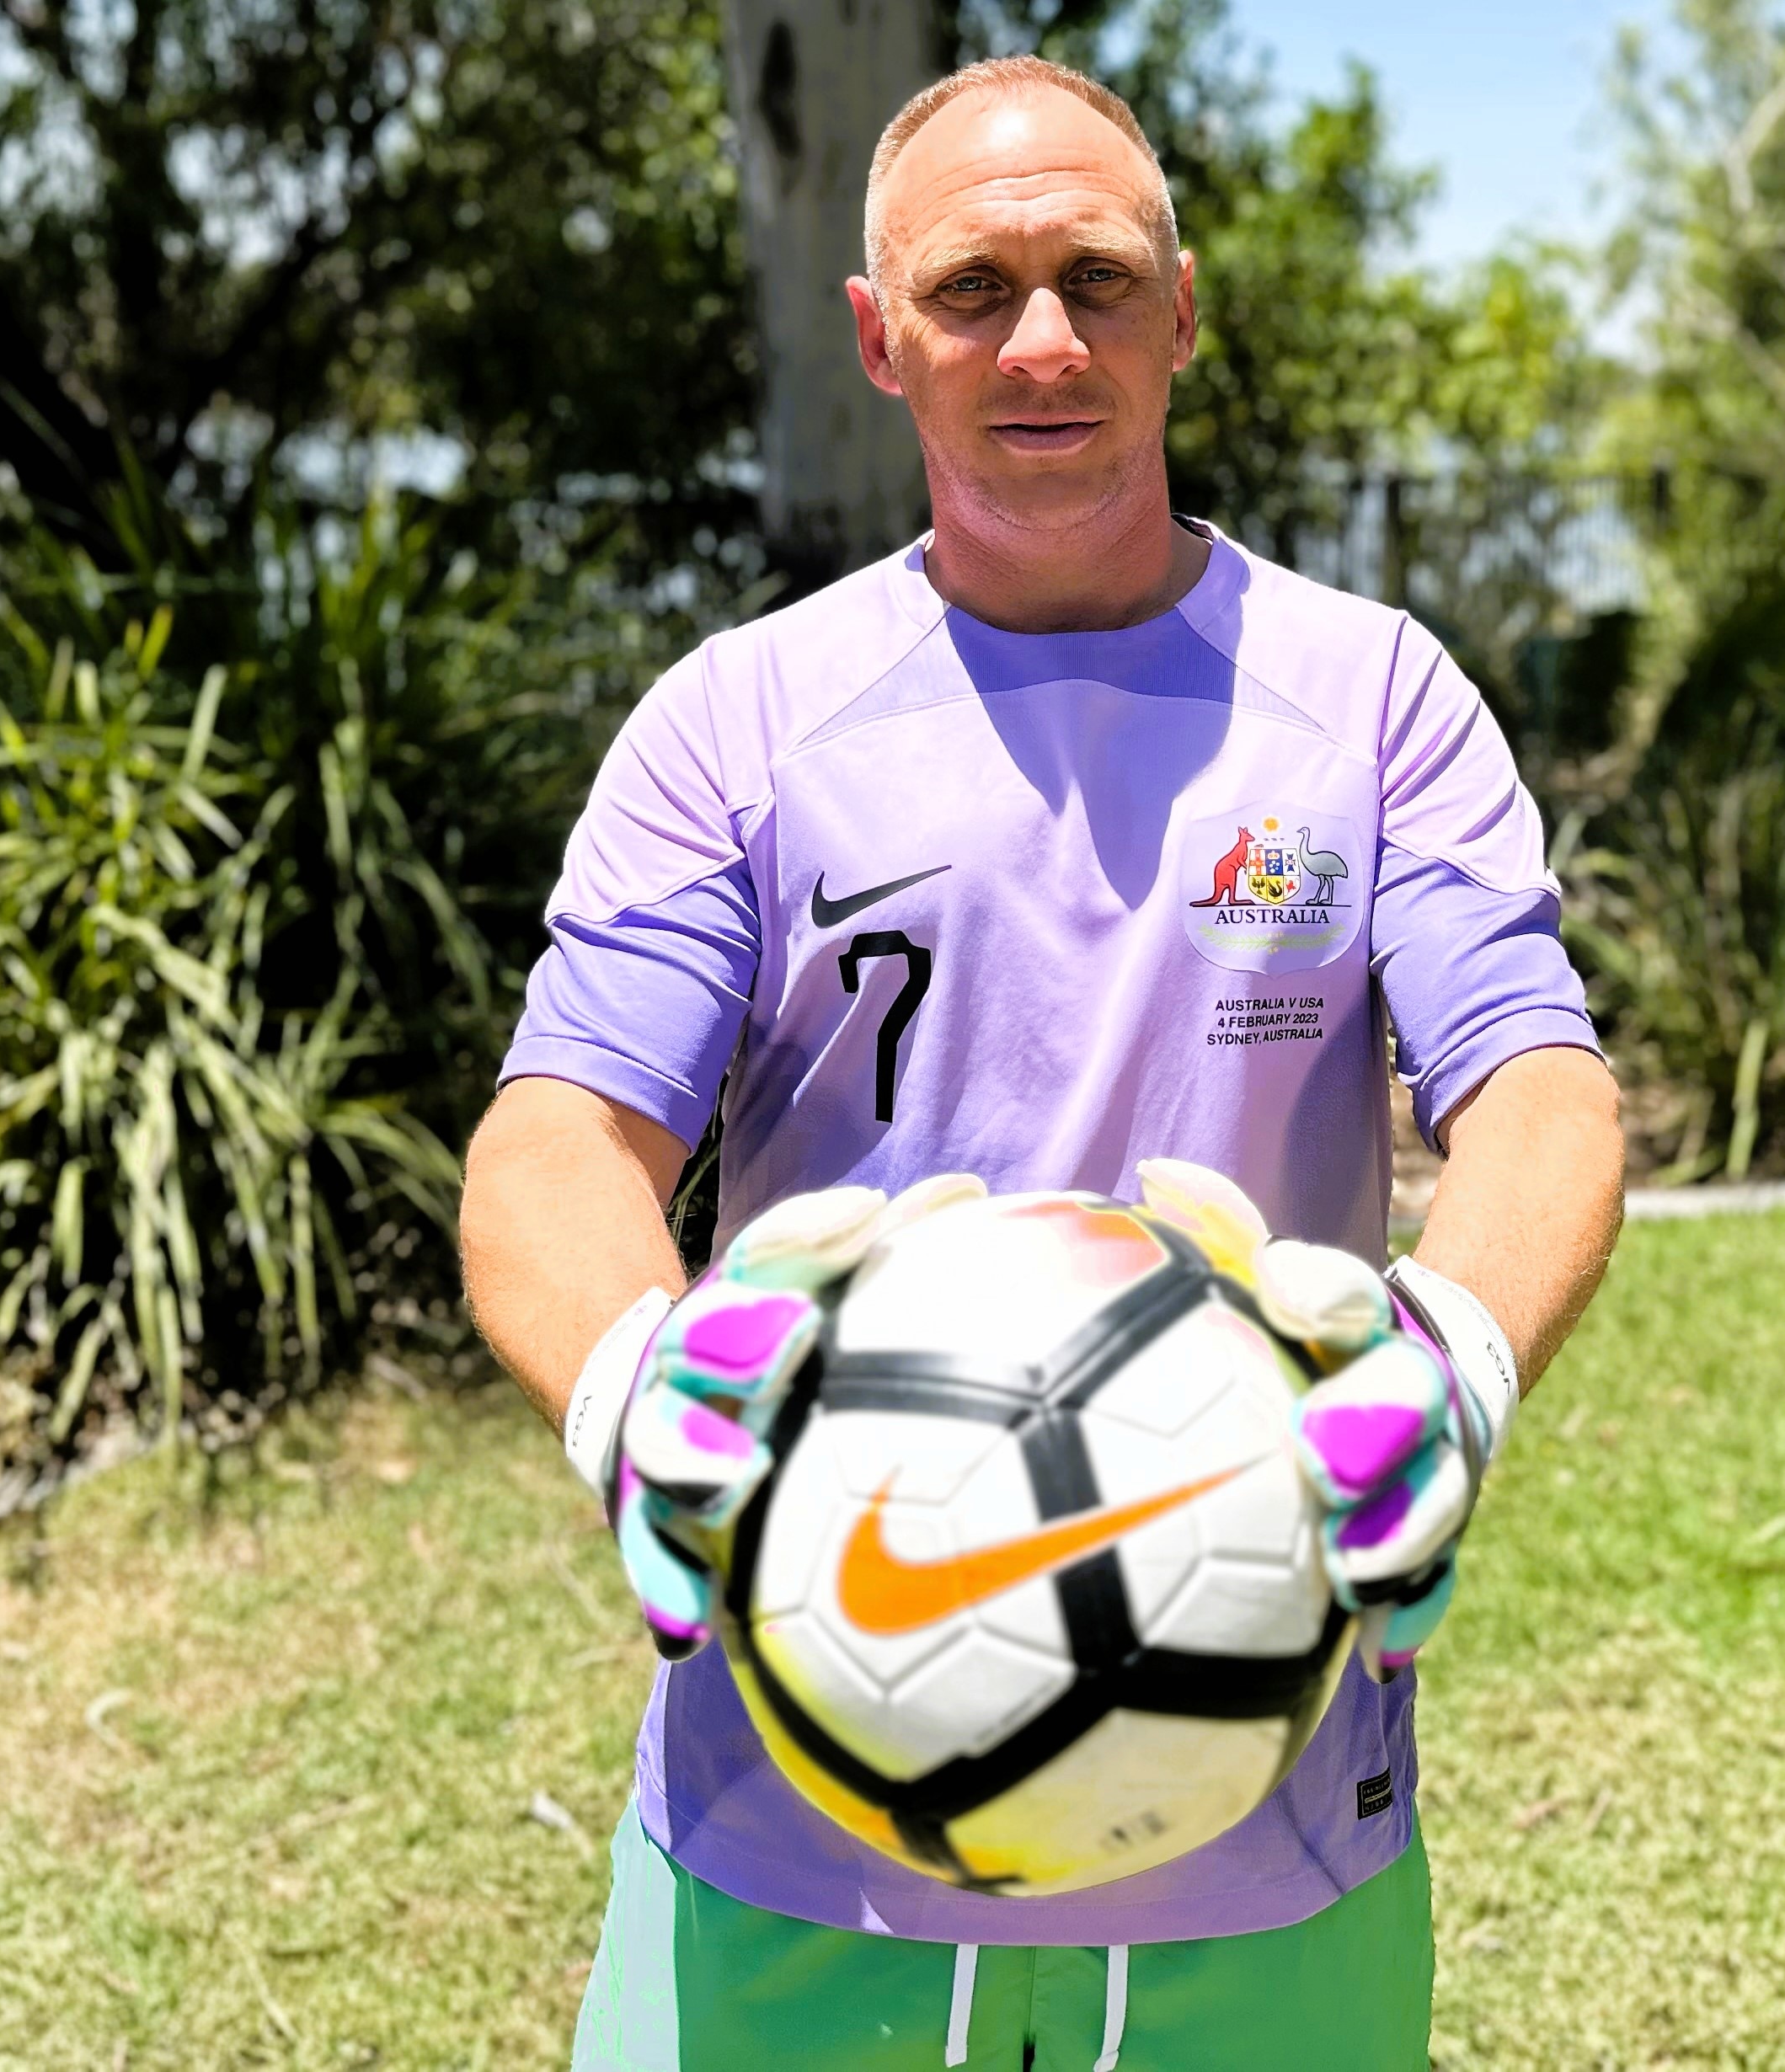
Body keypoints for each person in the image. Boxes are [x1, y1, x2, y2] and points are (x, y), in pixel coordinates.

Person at [460, 53, 1624, 2071]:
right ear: (879, 336)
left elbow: (1536, 1086)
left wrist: (1460, 1359)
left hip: (1262, 1801)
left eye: (1094, 275)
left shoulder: (1371, 703)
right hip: (797, 1805)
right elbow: (558, 1141)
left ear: (1185, 309)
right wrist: (634, 1393)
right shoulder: (742, 724)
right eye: (972, 288)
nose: (1042, 341)